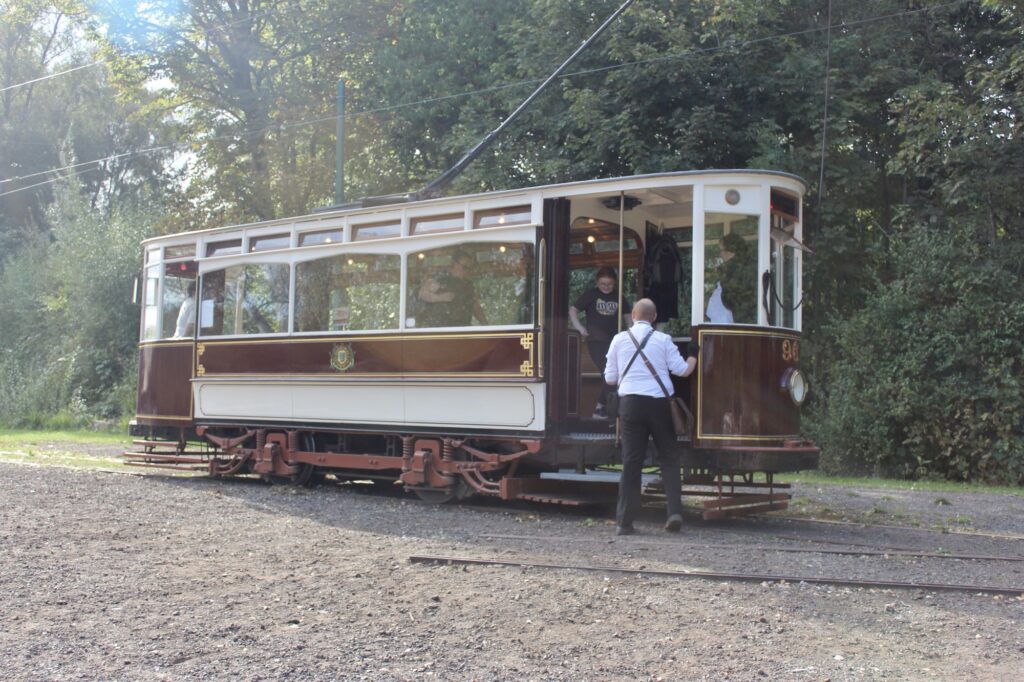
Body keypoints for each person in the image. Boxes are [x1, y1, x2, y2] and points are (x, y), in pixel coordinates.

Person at [604, 298, 698, 535]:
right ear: (654, 317)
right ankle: (674, 513)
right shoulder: (663, 340)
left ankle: (624, 523)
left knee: (631, 462)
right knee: (669, 458)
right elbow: (683, 371)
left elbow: (610, 379)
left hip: (630, 406)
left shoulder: (618, 340)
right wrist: (693, 355)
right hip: (659, 405)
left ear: (633, 316)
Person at [570, 267, 632, 419]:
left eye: (609, 284)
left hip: (615, 341)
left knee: (614, 373)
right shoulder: (591, 295)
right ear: (597, 282)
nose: (606, 287)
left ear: (614, 283)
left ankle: (601, 408)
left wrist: (631, 333)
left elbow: (628, 316)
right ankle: (605, 408)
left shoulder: (618, 296)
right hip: (596, 341)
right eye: (603, 284)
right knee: (608, 372)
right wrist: (579, 327)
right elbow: (573, 310)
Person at [417, 250, 487, 327]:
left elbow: (475, 306)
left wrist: (486, 325)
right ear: (455, 264)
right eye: (464, 267)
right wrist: (440, 297)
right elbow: (422, 294)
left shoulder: (467, 285)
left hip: (462, 329)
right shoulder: (440, 278)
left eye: (469, 268)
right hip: (440, 330)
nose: (467, 271)